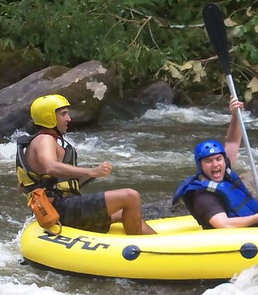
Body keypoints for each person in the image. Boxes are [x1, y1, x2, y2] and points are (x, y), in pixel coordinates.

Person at [16, 94, 155, 234]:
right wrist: (92, 172)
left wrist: (89, 176)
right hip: (61, 209)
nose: (68, 119)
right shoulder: (44, 140)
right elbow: (50, 167)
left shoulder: (39, 142)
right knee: (130, 196)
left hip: (63, 207)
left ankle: (156, 244)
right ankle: (138, 250)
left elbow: (23, 186)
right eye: (63, 114)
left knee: (122, 212)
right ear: (49, 117)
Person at [173, 99, 258, 229]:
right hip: (244, 235)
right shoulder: (203, 196)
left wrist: (236, 116)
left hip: (257, 223)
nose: (215, 165)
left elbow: (233, 142)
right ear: (200, 165)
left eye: (218, 159)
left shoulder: (224, 173)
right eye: (208, 161)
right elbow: (224, 224)